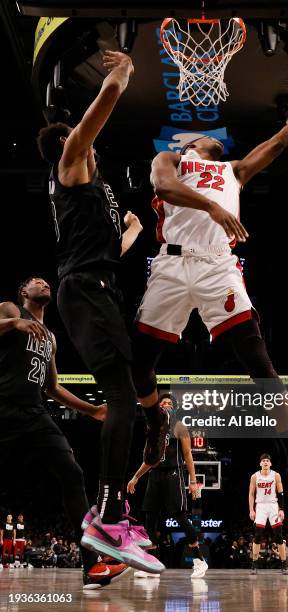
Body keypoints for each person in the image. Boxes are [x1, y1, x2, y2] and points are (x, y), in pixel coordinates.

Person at [132, 87, 288, 507]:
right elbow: (164, 187)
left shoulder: (236, 170)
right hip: (172, 265)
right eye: (200, 137)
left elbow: (282, 140)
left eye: (215, 139)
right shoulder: (171, 159)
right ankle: (156, 424)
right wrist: (214, 209)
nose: (210, 138)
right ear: (189, 145)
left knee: (264, 370)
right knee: (139, 365)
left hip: (217, 266)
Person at [36, 50, 164, 575]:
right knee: (121, 399)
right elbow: (95, 116)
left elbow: (111, 245)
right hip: (85, 291)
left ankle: (105, 536)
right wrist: (120, 76)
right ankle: (109, 515)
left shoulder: (95, 194)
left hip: (100, 286)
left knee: (132, 391)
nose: (88, 148)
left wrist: (132, 230)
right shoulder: (70, 166)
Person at [0, 277, 130, 587]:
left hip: (34, 414)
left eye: (46, 283)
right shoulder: (9, 309)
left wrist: (92, 410)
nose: (43, 283)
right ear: (22, 292)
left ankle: (91, 565)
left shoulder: (51, 338)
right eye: (35, 282)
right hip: (3, 408)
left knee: (73, 474)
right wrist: (14, 323)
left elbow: (53, 387)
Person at [127, 393, 208, 578]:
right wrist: (135, 477)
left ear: (175, 407)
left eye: (169, 403)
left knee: (179, 516)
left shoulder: (179, 426)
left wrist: (193, 481)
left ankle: (199, 560)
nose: (165, 405)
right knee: (150, 517)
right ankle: (152, 564)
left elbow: (188, 455)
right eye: (162, 403)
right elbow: (149, 460)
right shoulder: (153, 429)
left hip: (174, 472)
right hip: (155, 474)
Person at [249, 454, 288, 575]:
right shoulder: (255, 476)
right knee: (257, 536)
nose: (265, 462)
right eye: (263, 461)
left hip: (273, 505)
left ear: (270, 464)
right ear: (260, 464)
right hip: (260, 506)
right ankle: (254, 563)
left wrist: (281, 509)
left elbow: (281, 493)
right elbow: (251, 494)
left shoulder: (275, 475)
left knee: (278, 536)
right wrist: (251, 509)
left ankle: (284, 563)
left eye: (267, 461)